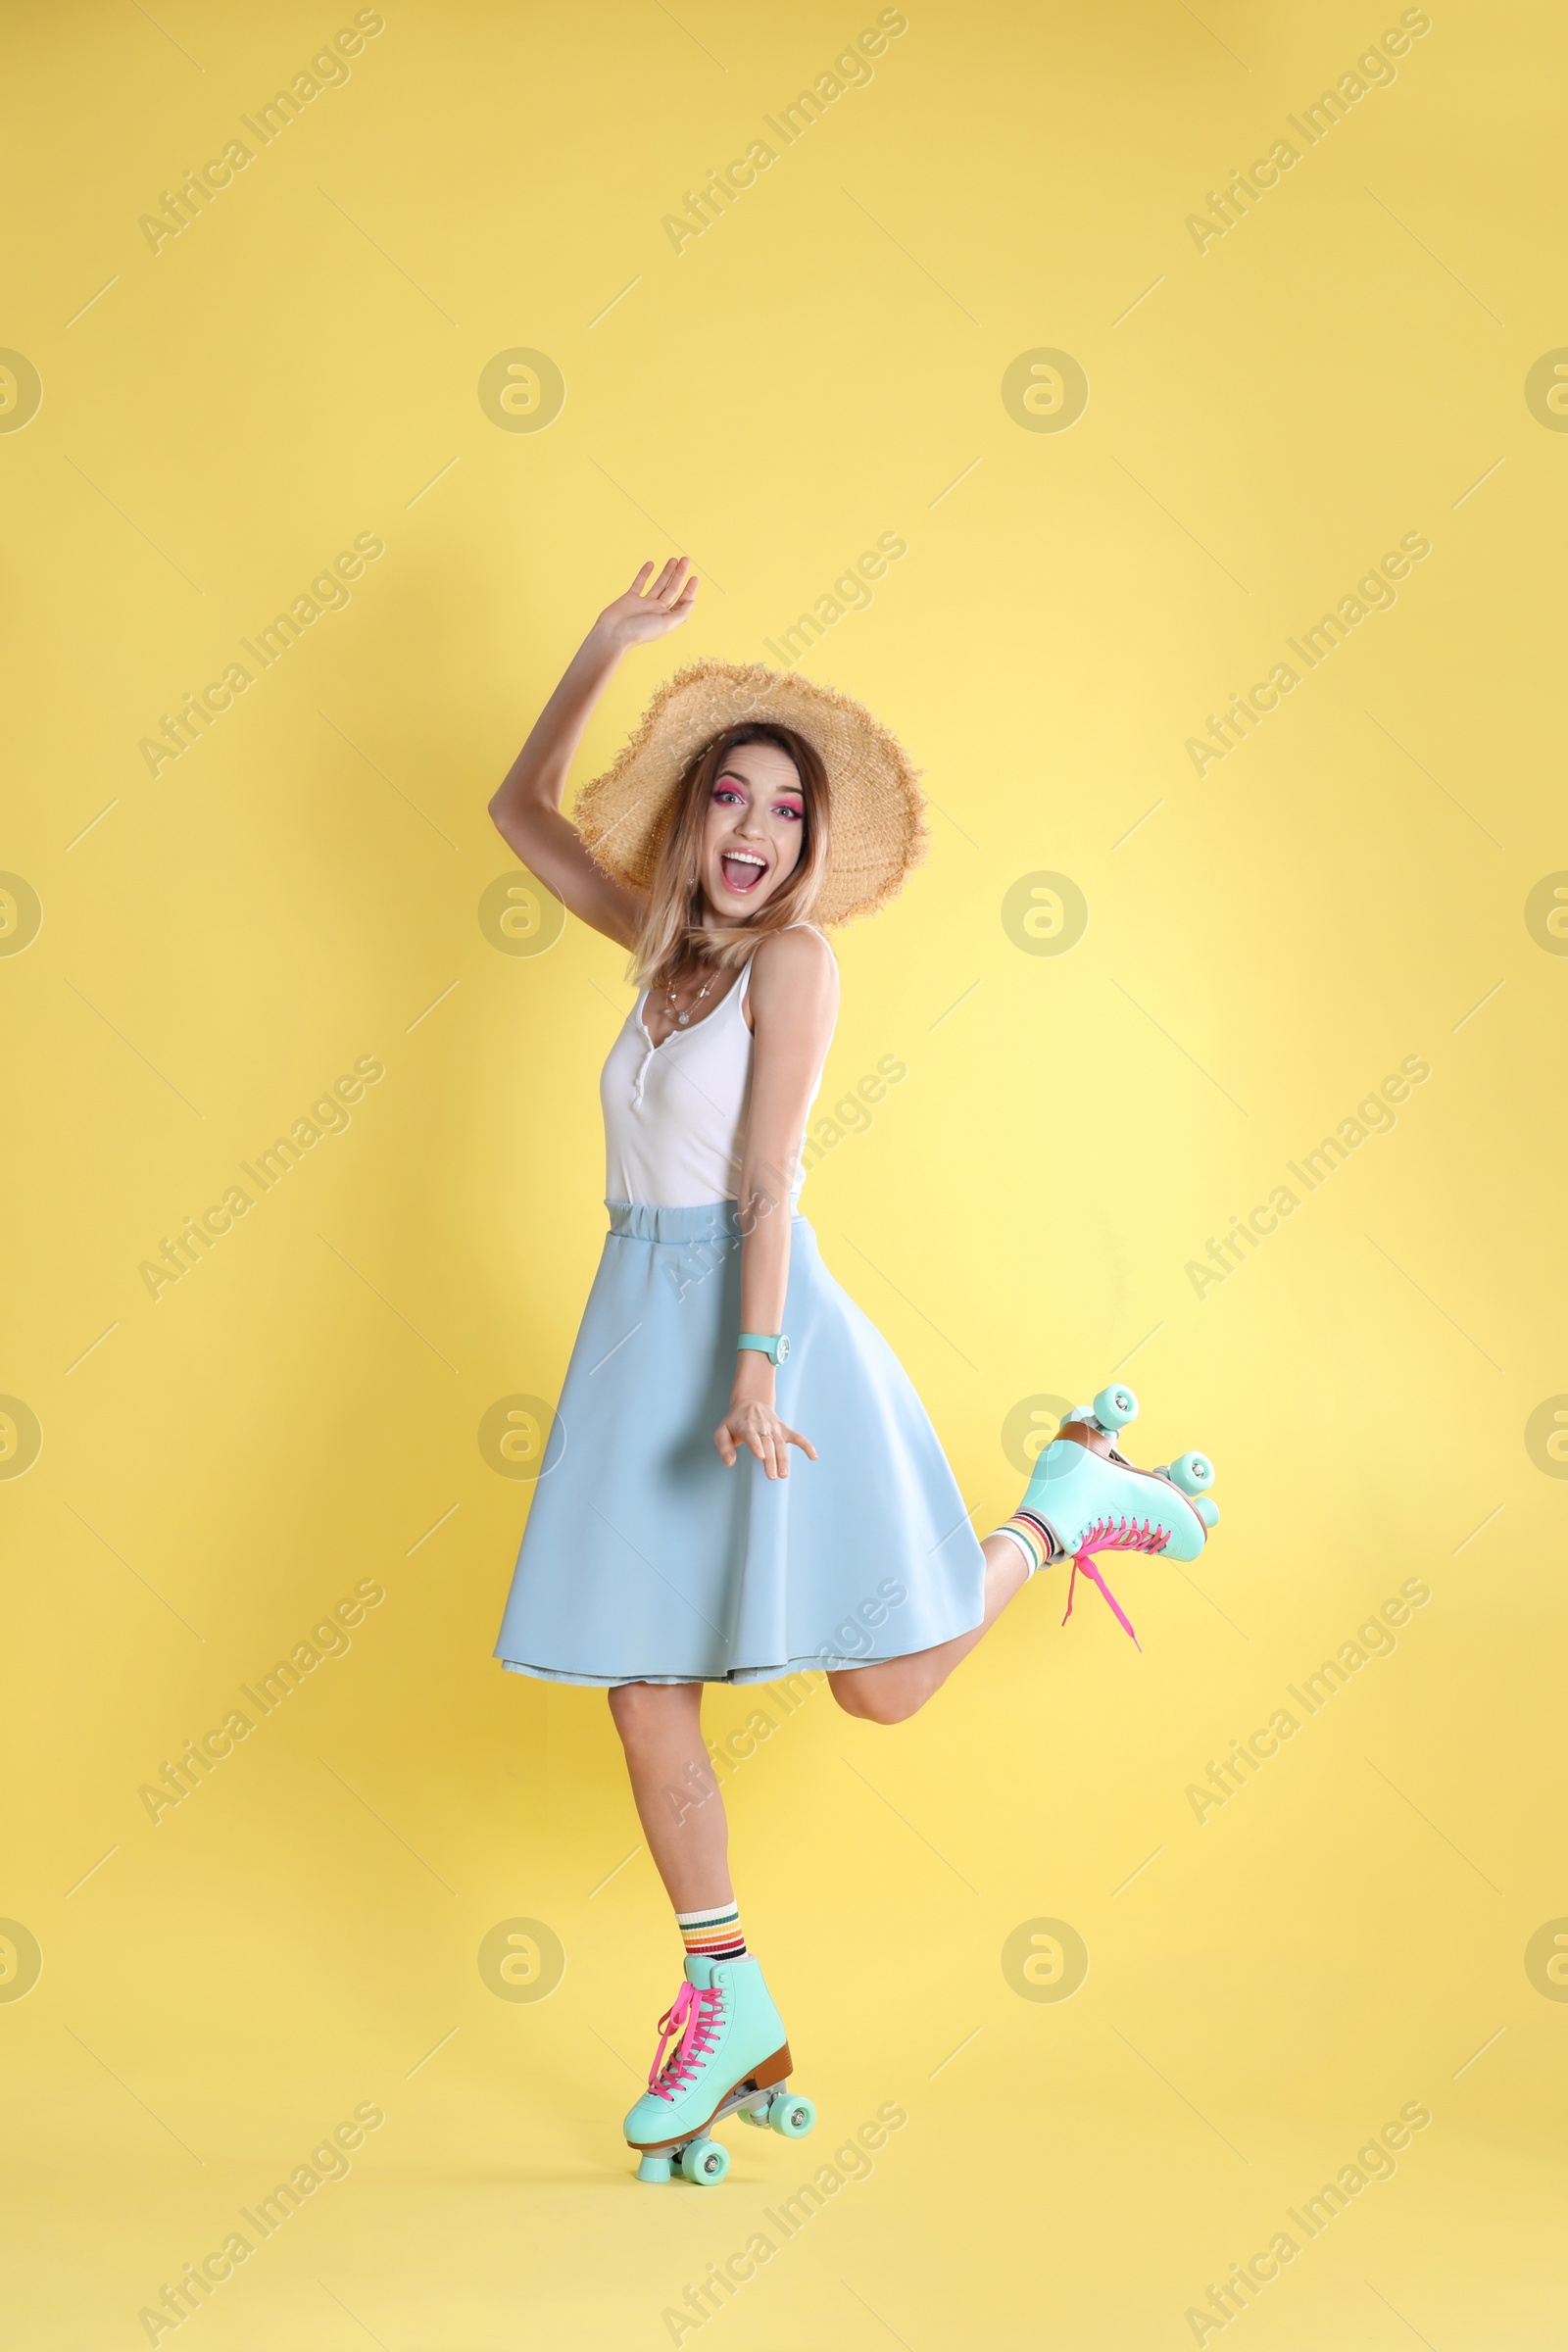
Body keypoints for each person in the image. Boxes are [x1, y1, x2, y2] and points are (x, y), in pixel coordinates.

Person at [488, 558, 1219, 2183]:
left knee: (882, 1685)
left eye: (787, 813)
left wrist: (755, 1368)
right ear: (693, 822)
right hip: (633, 1319)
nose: (756, 830)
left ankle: (1060, 1510)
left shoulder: (792, 967)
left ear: (814, 849)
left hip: (759, 1329)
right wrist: (602, 647)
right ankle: (723, 1991)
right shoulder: (661, 945)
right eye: (731, 798)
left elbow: (769, 1180)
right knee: (639, 1678)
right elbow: (521, 810)